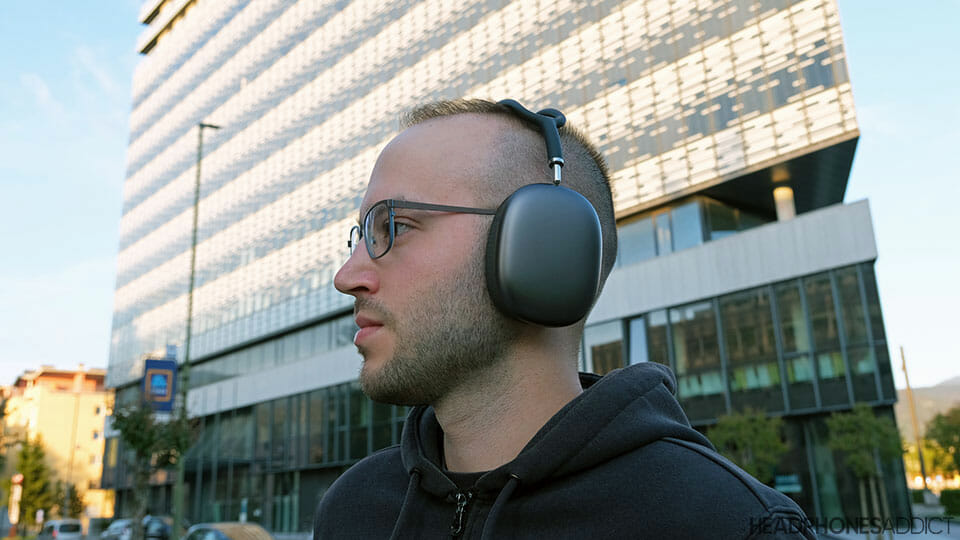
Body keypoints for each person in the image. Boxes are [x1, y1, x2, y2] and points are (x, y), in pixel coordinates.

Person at [314, 99, 815, 539]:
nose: (347, 275)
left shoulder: (727, 523)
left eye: (394, 227)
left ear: (539, 248)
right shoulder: (353, 509)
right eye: (360, 235)